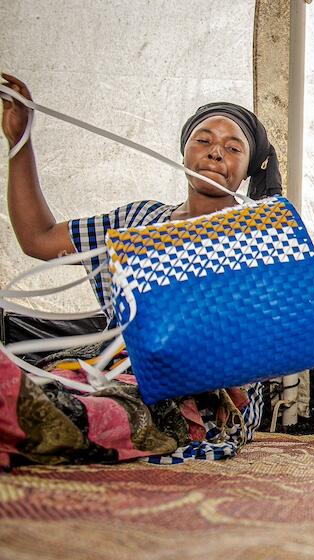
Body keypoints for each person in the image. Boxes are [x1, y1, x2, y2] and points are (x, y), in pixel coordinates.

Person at [1, 73, 280, 466]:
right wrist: (20, 142)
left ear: (249, 168)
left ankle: (39, 415)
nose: (216, 152)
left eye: (233, 148)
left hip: (207, 390)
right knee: (58, 380)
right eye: (204, 140)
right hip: (120, 366)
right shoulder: (140, 219)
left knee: (112, 411)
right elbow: (38, 238)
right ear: (184, 152)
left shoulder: (258, 236)